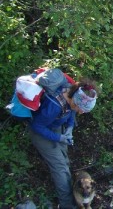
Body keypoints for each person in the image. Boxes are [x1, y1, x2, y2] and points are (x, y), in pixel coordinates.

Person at [30, 78, 98, 209]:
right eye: (81, 109)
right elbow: (36, 126)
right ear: (75, 101)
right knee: (60, 167)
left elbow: (71, 110)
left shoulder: (72, 93)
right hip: (41, 133)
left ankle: (71, 190)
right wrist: (58, 137)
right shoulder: (54, 106)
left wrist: (70, 127)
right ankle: (67, 204)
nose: (81, 112)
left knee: (64, 161)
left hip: (56, 126)